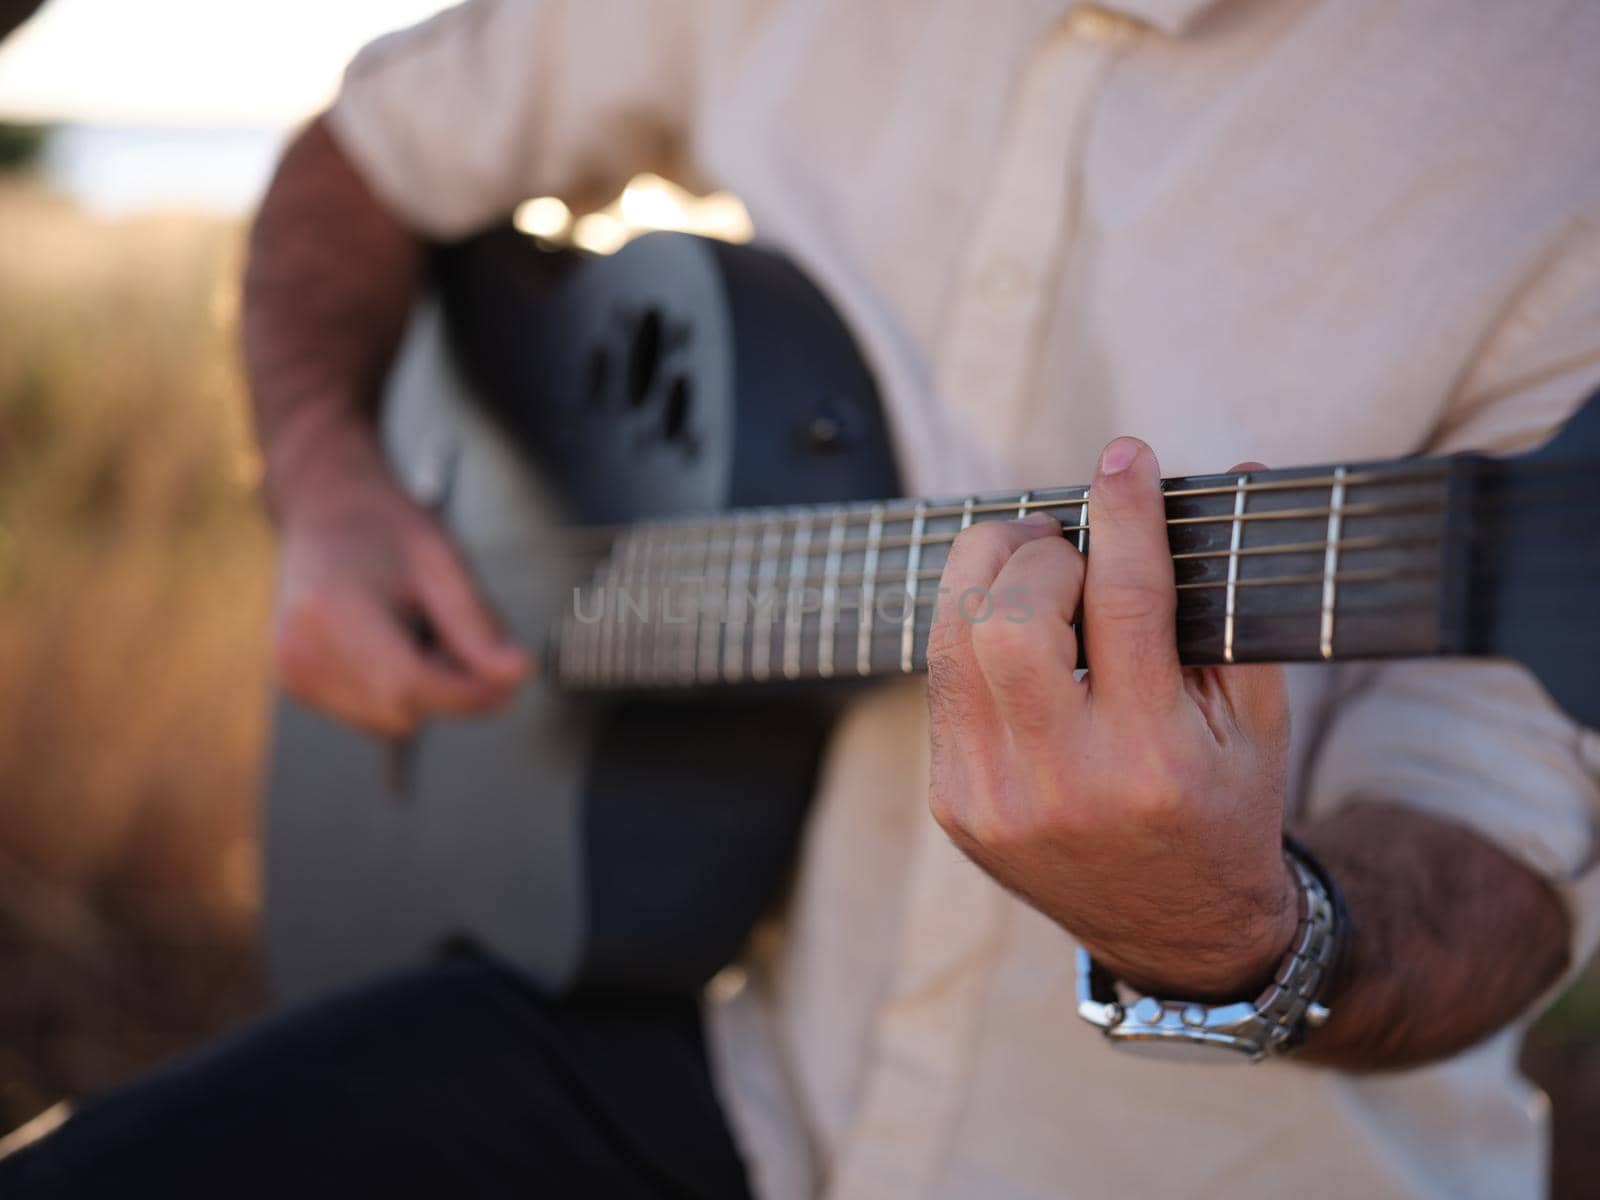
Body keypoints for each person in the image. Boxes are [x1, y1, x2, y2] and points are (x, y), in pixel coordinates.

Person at [5, 1, 1600, 1196]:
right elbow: (361, 161)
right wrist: (328, 480)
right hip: (719, 1075)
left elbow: (1499, 880)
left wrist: (1239, 939)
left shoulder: (1554, 106)